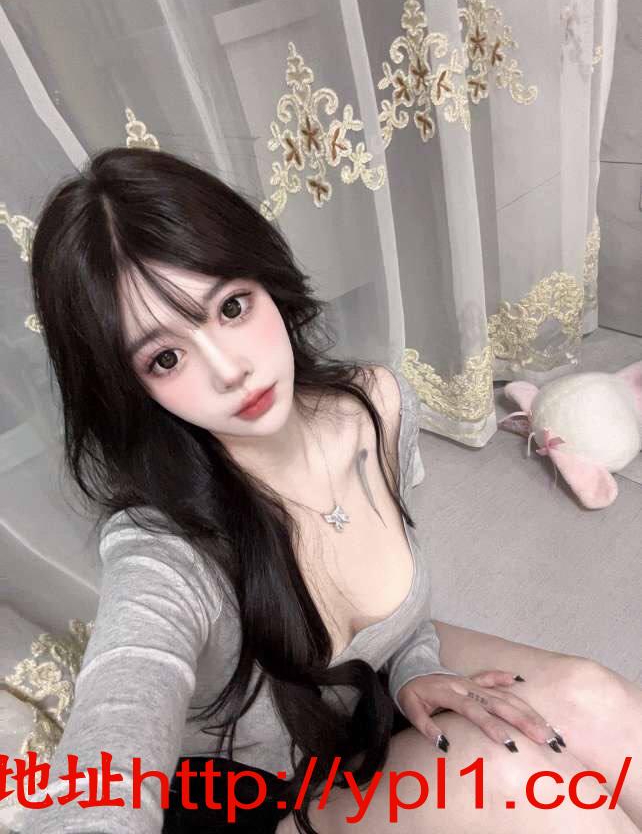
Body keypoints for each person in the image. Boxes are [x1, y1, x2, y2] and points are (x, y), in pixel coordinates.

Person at [19, 146, 642, 834]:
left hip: (367, 707)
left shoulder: (377, 406)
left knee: (596, 701)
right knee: (523, 782)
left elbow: (401, 619)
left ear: (267, 280)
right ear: (128, 385)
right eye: (166, 357)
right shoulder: (162, 549)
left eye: (232, 306)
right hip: (259, 799)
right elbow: (113, 738)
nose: (229, 370)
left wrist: (415, 668)